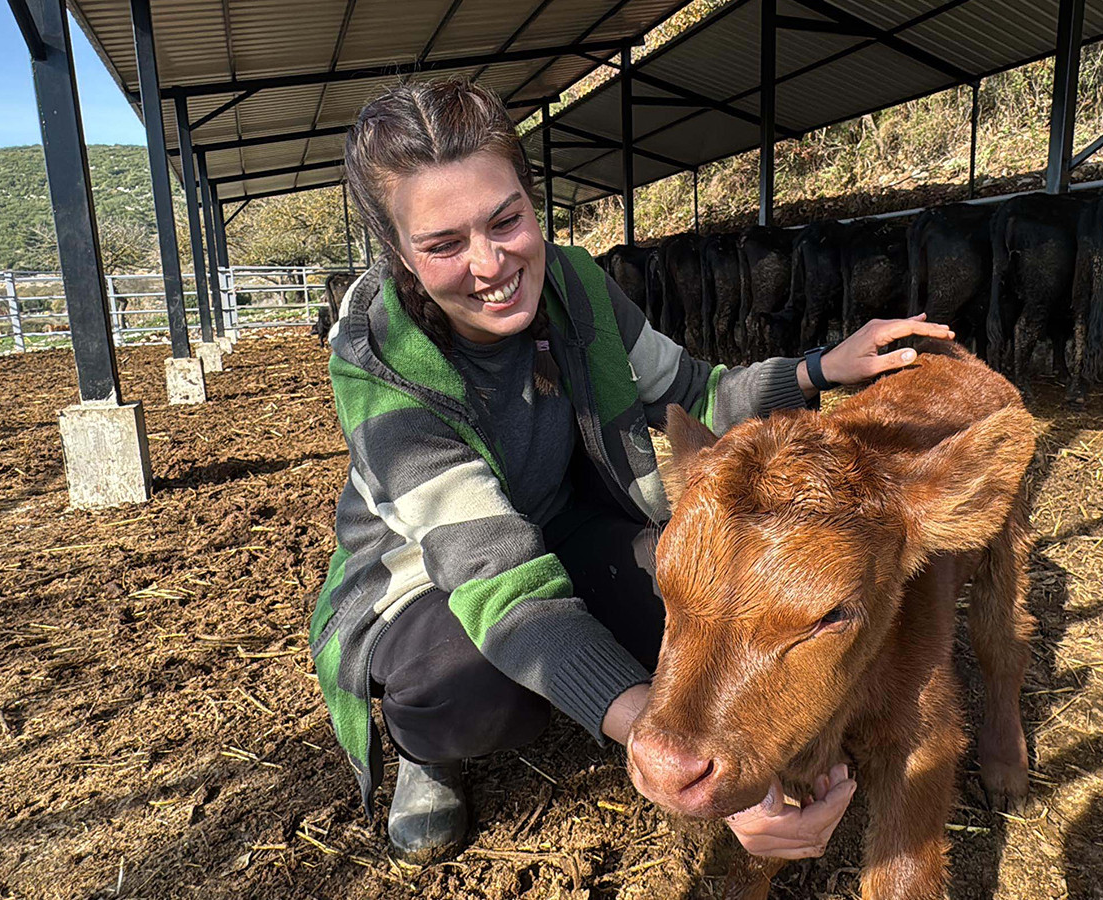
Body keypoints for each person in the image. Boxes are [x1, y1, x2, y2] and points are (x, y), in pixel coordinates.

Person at [311, 78, 956, 866]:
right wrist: (664, 741)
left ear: (531, 202)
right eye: (444, 244)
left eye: (506, 221)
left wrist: (823, 367)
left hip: (564, 519)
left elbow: (696, 392)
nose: (489, 264)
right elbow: (495, 573)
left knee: (705, 599)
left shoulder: (578, 287)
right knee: (469, 686)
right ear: (400, 253)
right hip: (427, 572)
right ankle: (427, 752)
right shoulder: (380, 369)